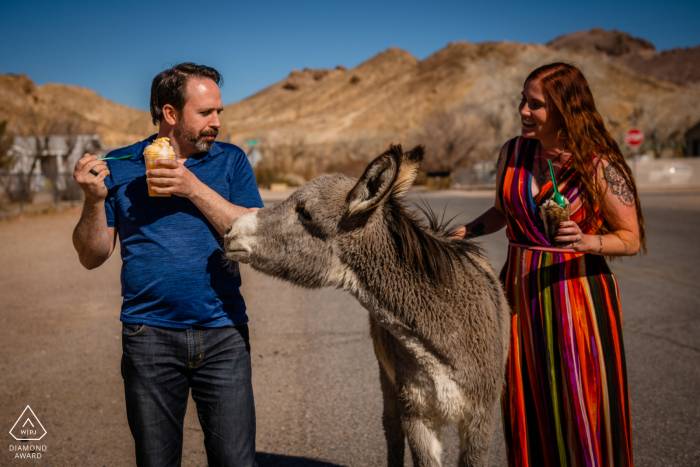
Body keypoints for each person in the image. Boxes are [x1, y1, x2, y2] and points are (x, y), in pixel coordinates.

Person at [72, 63, 262, 466]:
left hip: (224, 332)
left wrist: (191, 187)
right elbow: (92, 256)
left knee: (236, 461)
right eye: (206, 113)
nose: (217, 123)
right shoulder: (119, 165)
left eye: (219, 113)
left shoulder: (231, 161)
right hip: (148, 337)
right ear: (170, 114)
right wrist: (92, 200)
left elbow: (255, 236)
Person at [454, 63, 645, 467]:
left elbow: (631, 238)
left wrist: (588, 240)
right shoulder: (513, 151)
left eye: (535, 104)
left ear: (564, 109)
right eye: (523, 100)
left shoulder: (597, 164)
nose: (523, 110)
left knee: (581, 402)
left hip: (578, 300)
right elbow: (504, 211)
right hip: (518, 296)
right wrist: (468, 230)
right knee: (527, 401)